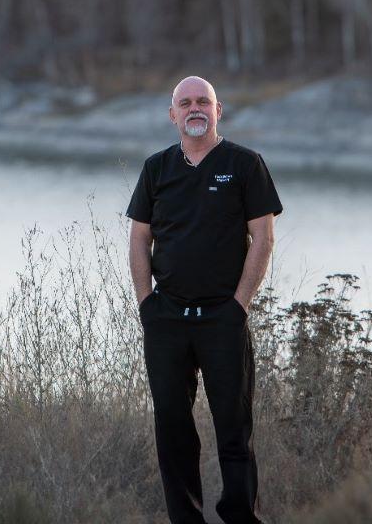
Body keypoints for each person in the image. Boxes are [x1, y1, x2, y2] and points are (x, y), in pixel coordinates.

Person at [127, 75, 283, 524]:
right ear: (172, 114)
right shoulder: (156, 169)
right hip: (167, 320)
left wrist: (239, 305)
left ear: (219, 111)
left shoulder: (245, 164)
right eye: (185, 103)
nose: (195, 109)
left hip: (223, 319)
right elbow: (139, 239)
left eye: (203, 102)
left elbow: (263, 237)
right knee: (173, 432)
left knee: (234, 432)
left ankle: (240, 517)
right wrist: (146, 304)